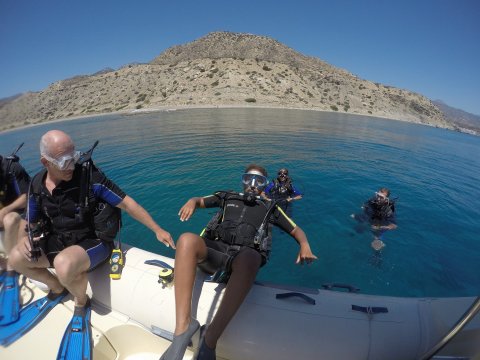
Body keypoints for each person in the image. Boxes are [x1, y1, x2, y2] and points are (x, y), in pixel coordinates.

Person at [7, 130, 175, 355]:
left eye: (74, 156)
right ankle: (56, 288)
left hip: (93, 242)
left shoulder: (90, 177)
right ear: (45, 162)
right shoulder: (37, 184)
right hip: (59, 239)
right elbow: (29, 218)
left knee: (64, 264)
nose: (72, 165)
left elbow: (128, 204)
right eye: (65, 161)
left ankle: (80, 301)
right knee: (17, 257)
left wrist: (157, 229)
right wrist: (25, 239)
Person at [160, 164, 317, 360]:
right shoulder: (227, 197)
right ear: (242, 181)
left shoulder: (270, 208)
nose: (252, 185)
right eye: (248, 179)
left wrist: (304, 244)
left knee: (252, 256)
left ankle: (210, 339)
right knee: (186, 239)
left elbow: (296, 230)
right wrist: (192, 201)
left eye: (258, 181)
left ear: (264, 185)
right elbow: (200, 201)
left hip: (240, 260)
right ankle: (183, 328)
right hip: (213, 252)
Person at [0, 144, 30, 325]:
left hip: (18, 219)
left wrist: (6, 210)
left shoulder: (12, 169)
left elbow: (28, 196)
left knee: (9, 218)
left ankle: (12, 266)